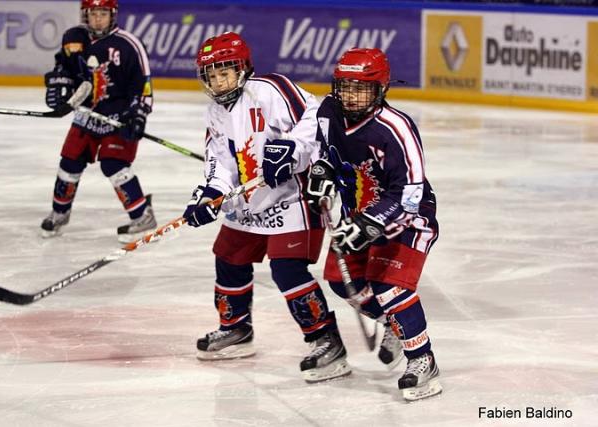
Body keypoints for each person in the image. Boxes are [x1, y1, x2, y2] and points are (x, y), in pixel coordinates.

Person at [182, 32, 350, 383]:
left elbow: (318, 114)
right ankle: (236, 328)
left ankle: (325, 340)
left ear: (243, 69)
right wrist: (210, 194)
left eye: (224, 72)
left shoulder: (270, 89)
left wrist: (290, 148)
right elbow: (220, 162)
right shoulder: (215, 111)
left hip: (294, 197)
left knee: (287, 270)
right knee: (228, 257)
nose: (218, 81)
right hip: (251, 201)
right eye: (211, 75)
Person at [304, 47, 442, 401]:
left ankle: (422, 359)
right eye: (345, 87)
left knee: (389, 287)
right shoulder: (328, 112)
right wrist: (321, 171)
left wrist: (370, 224)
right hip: (359, 216)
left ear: (380, 89)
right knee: (341, 283)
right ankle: (394, 323)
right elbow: (325, 154)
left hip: (406, 220)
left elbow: (410, 193)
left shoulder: (395, 127)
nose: (350, 96)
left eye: (360, 89)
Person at [40, 0, 156, 243]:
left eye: (103, 13)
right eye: (94, 13)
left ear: (112, 15)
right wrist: (61, 91)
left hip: (118, 117)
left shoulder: (128, 44)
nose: (98, 19)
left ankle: (142, 216)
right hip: (86, 115)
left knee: (114, 165)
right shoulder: (73, 37)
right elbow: (64, 69)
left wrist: (138, 115)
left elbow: (143, 86)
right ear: (86, 14)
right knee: (69, 163)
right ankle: (60, 214)